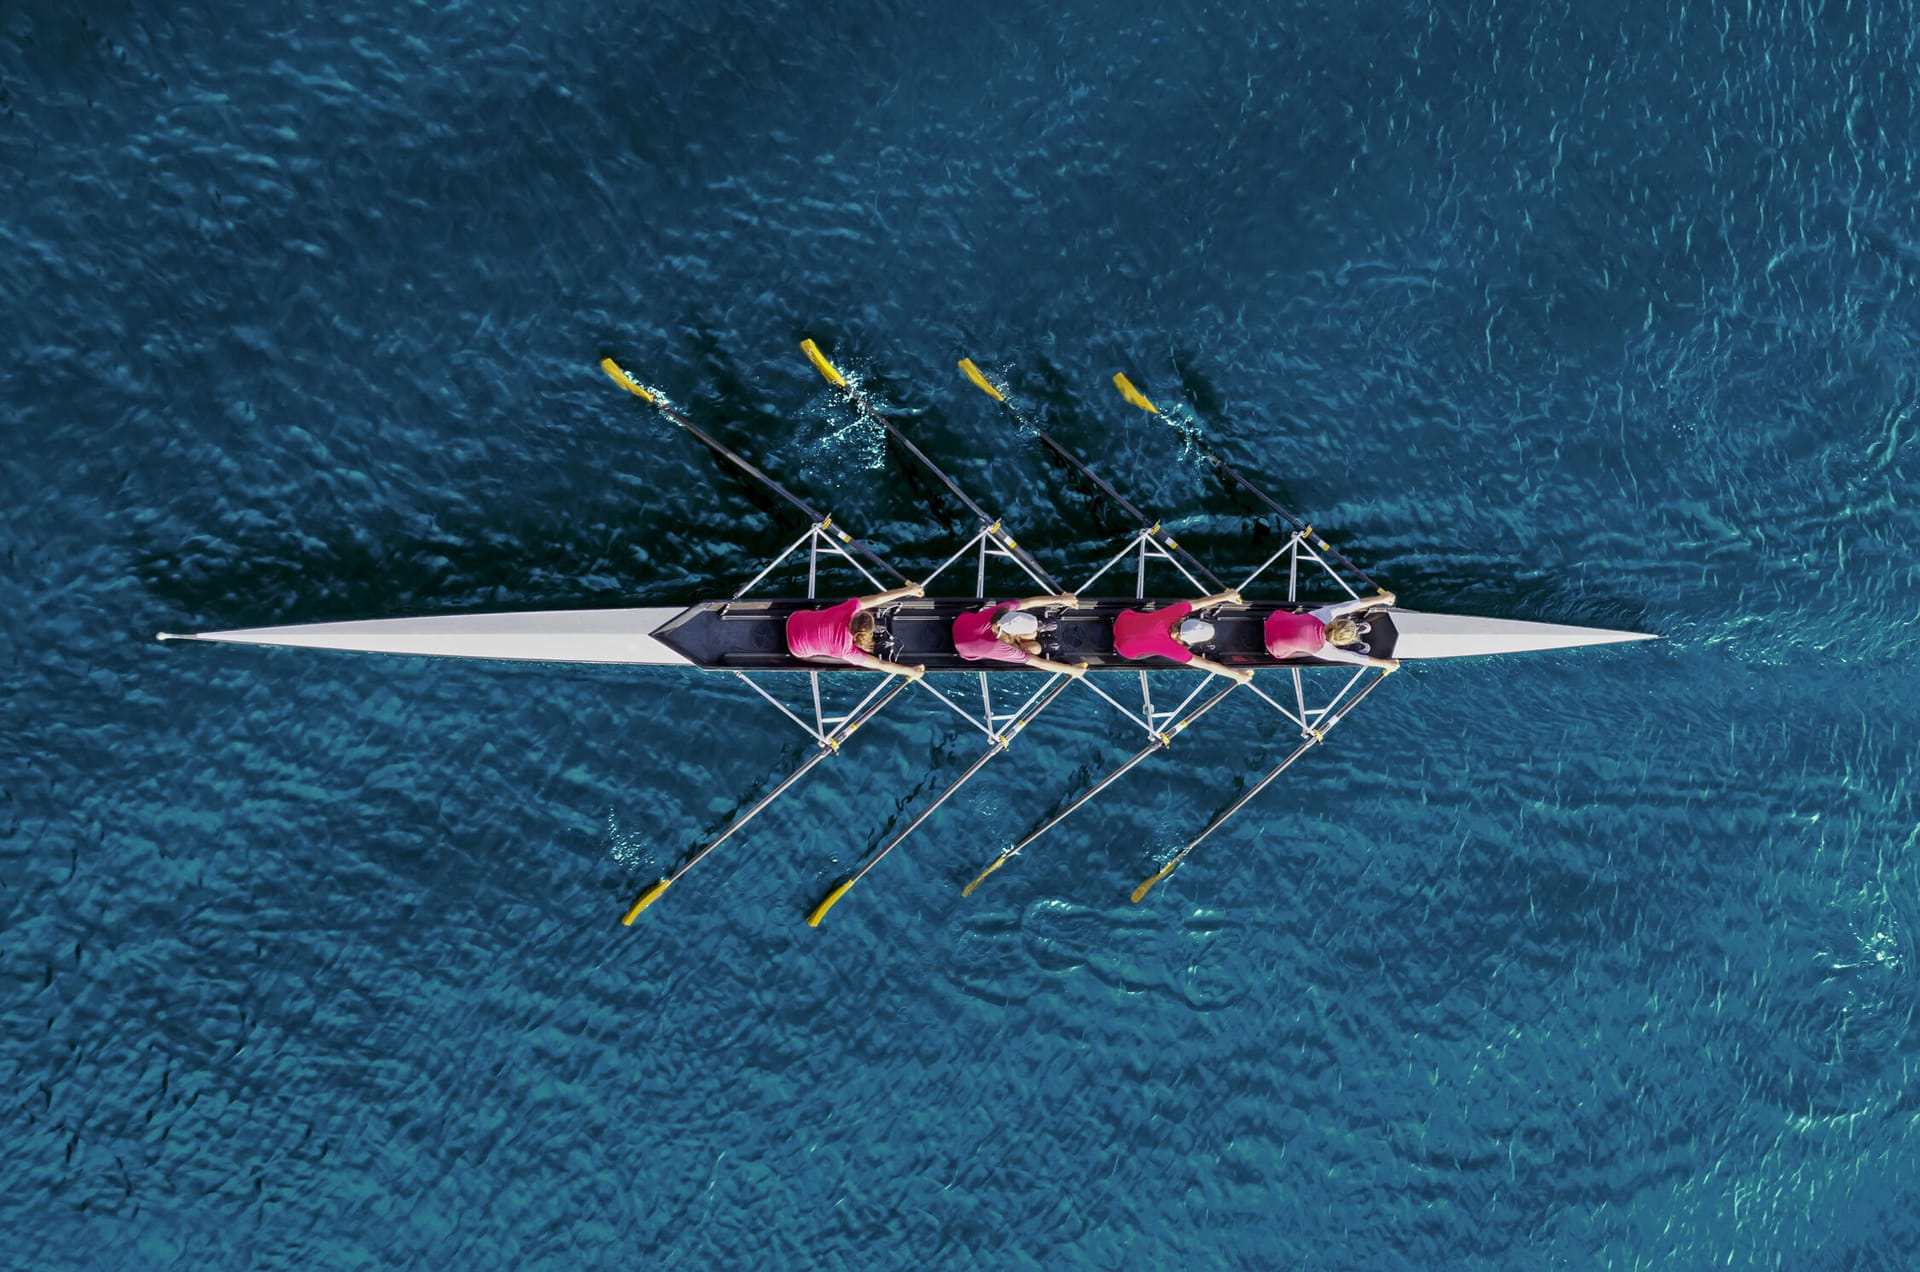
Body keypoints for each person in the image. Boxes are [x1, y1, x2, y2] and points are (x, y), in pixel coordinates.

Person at [1111, 589, 1253, 683]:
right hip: (1122, 649)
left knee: (1149, 623)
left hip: (1122, 618)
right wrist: (1238, 676)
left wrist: (1226, 596)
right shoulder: (1175, 649)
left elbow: (1200, 602)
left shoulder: (1176, 612)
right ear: (1187, 642)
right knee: (1154, 650)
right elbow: (1208, 665)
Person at [786, 584, 927, 677]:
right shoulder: (848, 651)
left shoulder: (848, 609)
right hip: (796, 650)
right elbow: (880, 664)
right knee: (846, 659)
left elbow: (877, 598)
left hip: (794, 618)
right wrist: (911, 671)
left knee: (830, 613)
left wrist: (908, 590)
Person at [952, 594, 1088, 678]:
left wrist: (1062, 599)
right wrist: (1071, 670)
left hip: (961, 622)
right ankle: (1036, 635)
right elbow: (1039, 662)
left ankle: (1034, 632)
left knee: (1033, 636)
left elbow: (1028, 602)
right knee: (1035, 649)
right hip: (966, 652)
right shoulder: (1000, 648)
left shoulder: (999, 614)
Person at [1263, 591, 1399, 670]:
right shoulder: (1323, 650)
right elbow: (1357, 659)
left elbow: (1351, 605)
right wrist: (1385, 664)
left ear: (1336, 621)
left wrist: (1382, 599)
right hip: (1273, 648)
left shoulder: (1324, 615)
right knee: (1309, 653)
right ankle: (1356, 634)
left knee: (1302, 626)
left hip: (1273, 619)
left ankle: (1355, 630)